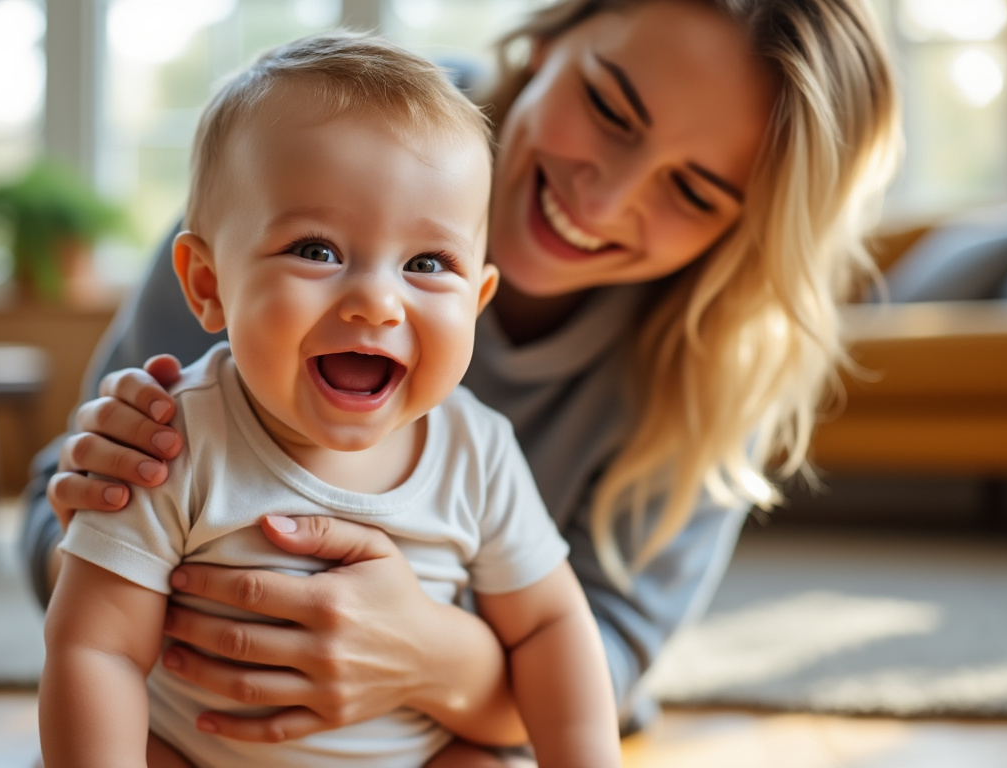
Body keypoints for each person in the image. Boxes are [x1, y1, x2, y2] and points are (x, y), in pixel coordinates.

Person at [25, 0, 901, 750]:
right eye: (608, 107)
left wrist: (432, 654)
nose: (602, 201)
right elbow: (56, 550)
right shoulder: (300, 142)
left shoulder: (684, 380)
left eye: (695, 192)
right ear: (552, 35)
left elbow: (602, 659)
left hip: (449, 731)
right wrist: (101, 517)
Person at [39, 33, 622, 768]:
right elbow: (95, 649)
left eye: (427, 263)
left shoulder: (479, 452)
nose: (377, 302)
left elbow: (550, 628)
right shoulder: (171, 440)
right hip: (200, 751)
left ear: (476, 302)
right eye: (317, 250)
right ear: (207, 284)